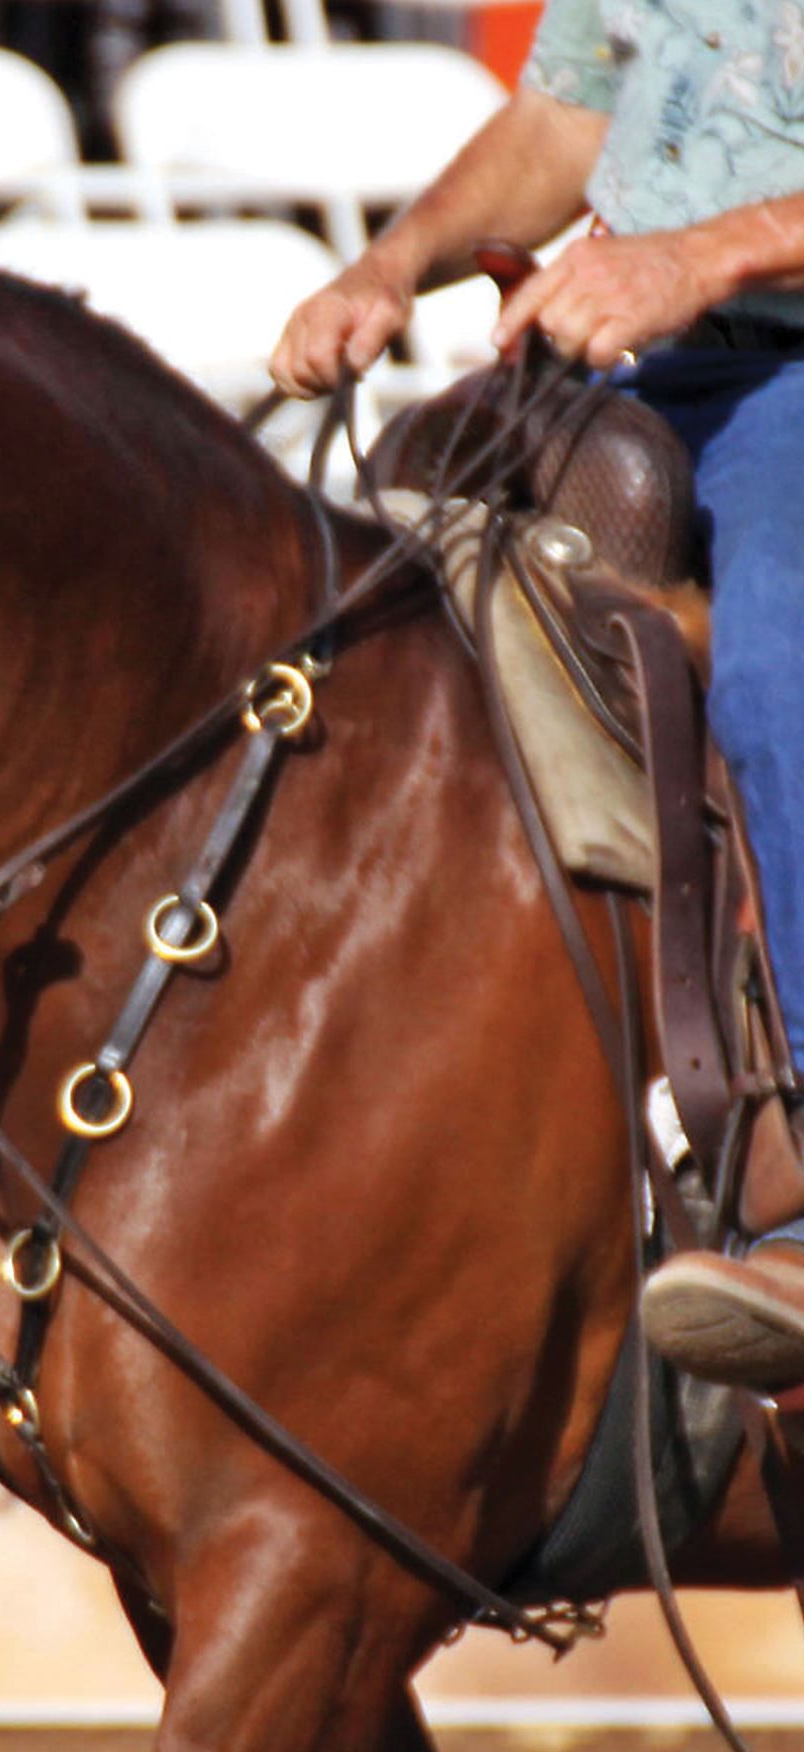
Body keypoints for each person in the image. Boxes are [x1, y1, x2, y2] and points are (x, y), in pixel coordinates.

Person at [270, 0, 804, 1390]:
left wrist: (707, 250)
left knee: (773, 652)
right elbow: (562, 121)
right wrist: (391, 267)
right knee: (364, 625)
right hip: (636, 360)